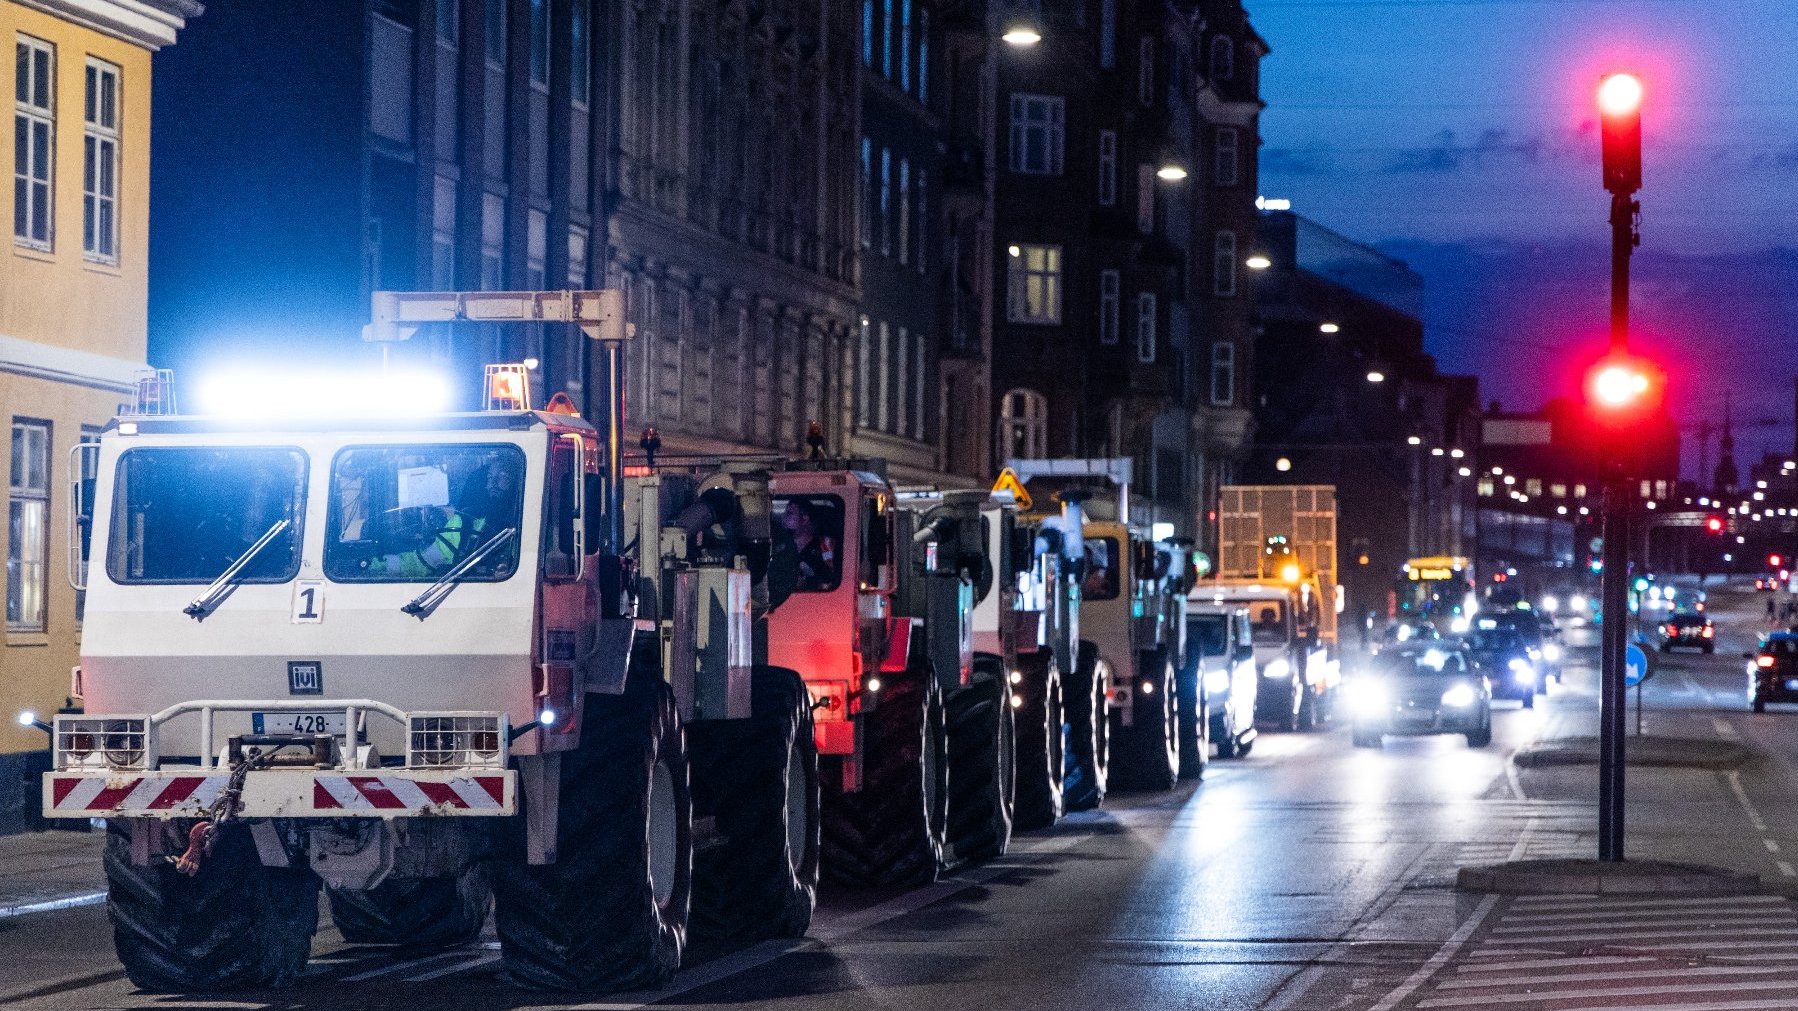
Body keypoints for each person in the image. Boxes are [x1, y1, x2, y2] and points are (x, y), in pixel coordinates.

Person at [781, 499, 837, 591]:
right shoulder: (780, 547)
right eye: (785, 513)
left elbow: (830, 578)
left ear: (805, 518)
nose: (784, 517)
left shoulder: (826, 545)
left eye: (790, 513)